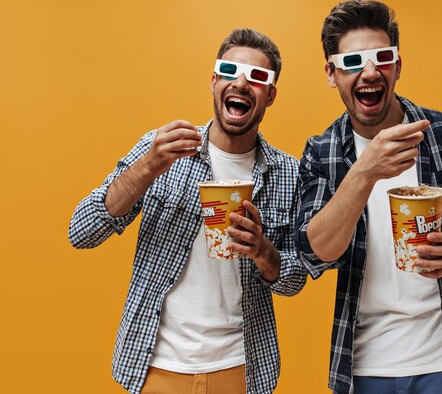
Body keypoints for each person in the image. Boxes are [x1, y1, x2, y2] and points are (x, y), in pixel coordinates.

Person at [294, 0, 442, 394]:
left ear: (397, 65)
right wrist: (365, 170)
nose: (369, 72)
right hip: (362, 365)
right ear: (331, 73)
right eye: (352, 62)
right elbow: (315, 253)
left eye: (382, 57)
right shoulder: (322, 152)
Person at [69, 28, 307, 394]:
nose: (241, 83)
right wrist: (147, 167)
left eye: (258, 77)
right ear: (214, 81)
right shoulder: (161, 149)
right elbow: (81, 232)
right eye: (230, 71)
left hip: (242, 368)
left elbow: (294, 281)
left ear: (270, 95)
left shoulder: (288, 172)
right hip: (155, 366)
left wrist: (262, 250)